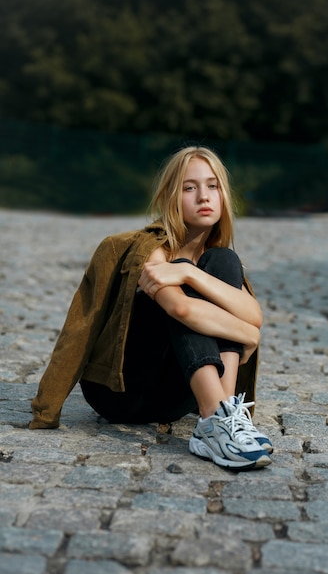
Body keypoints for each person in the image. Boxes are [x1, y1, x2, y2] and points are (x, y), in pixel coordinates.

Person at [30, 146, 273, 470]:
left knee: (223, 260)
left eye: (212, 186)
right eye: (190, 187)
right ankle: (218, 418)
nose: (204, 196)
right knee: (190, 296)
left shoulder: (216, 261)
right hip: (120, 393)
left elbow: (254, 314)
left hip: (174, 399)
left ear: (224, 195)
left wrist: (188, 271)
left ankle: (222, 417)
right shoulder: (149, 249)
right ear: (170, 196)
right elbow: (182, 311)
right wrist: (247, 335)